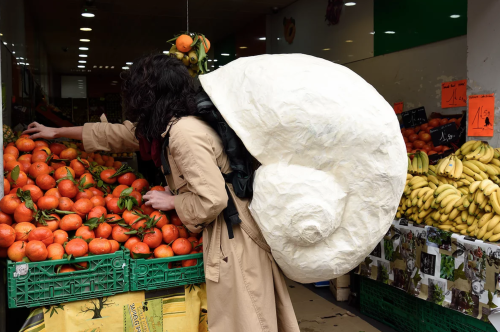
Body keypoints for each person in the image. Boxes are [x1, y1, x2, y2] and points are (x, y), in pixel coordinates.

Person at [23, 54, 300, 332]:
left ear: (147, 97)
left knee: (248, 320)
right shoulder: (167, 126)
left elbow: (213, 199)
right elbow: (117, 134)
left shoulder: (183, 133)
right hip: (226, 229)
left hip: (233, 234)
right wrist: (56, 132)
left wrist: (173, 200)